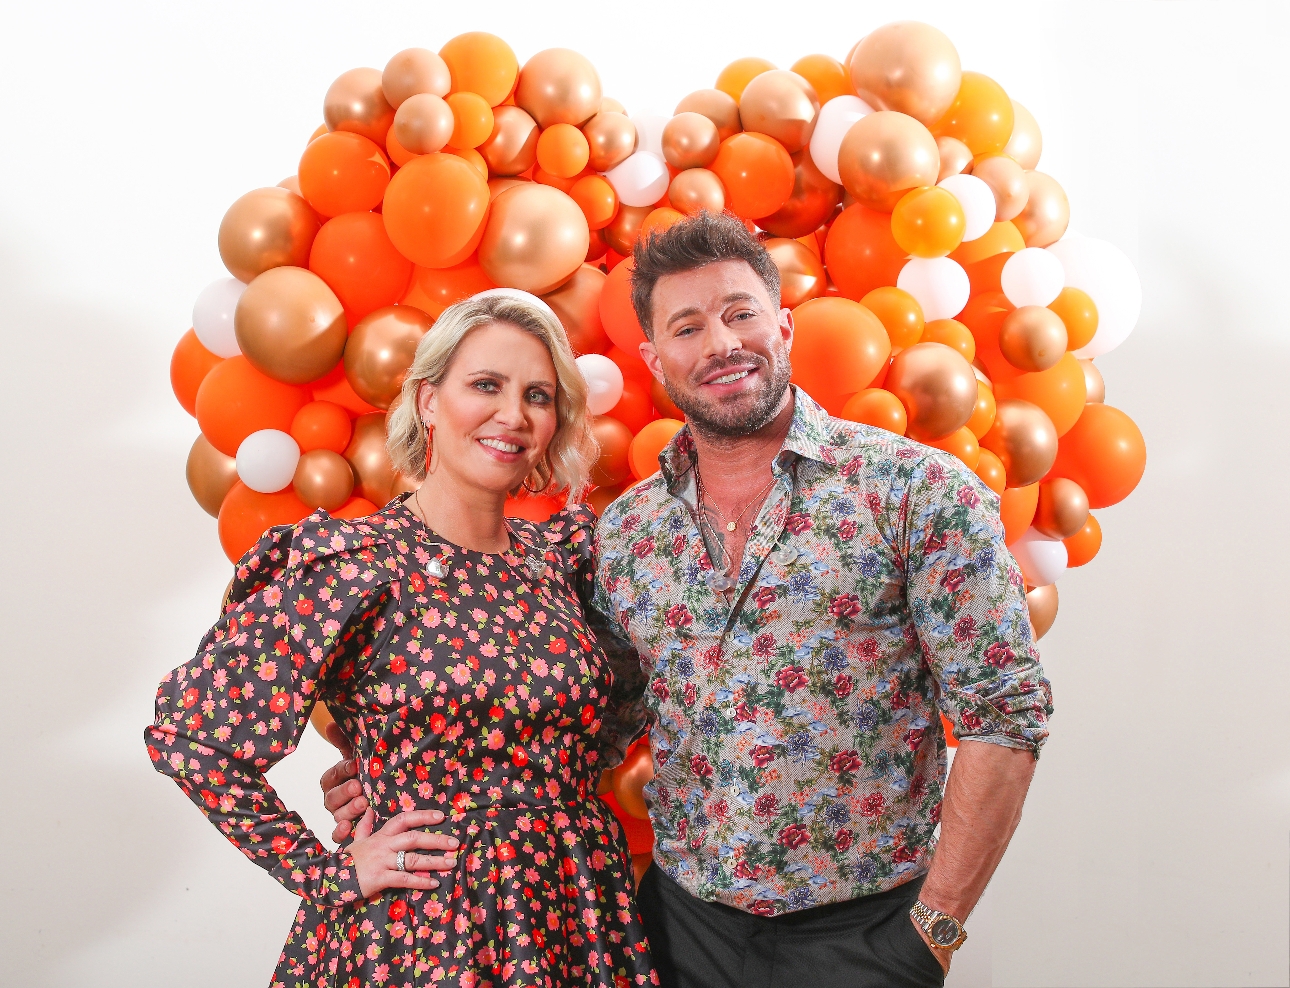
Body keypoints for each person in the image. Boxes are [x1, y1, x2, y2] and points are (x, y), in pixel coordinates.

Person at [325, 212, 1054, 987]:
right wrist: (405, 773)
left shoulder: (917, 491)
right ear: (655, 358)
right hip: (679, 932)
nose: (720, 345)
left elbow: (1005, 714)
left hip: (867, 935)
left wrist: (931, 930)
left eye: (740, 314)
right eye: (687, 327)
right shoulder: (629, 531)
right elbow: (590, 718)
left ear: (783, 324)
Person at [146, 290, 659, 988]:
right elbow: (192, 735)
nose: (512, 415)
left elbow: (612, 716)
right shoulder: (355, 563)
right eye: (486, 385)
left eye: (538, 395)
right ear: (427, 401)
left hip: (571, 912)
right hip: (423, 928)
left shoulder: (566, 560)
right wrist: (320, 869)